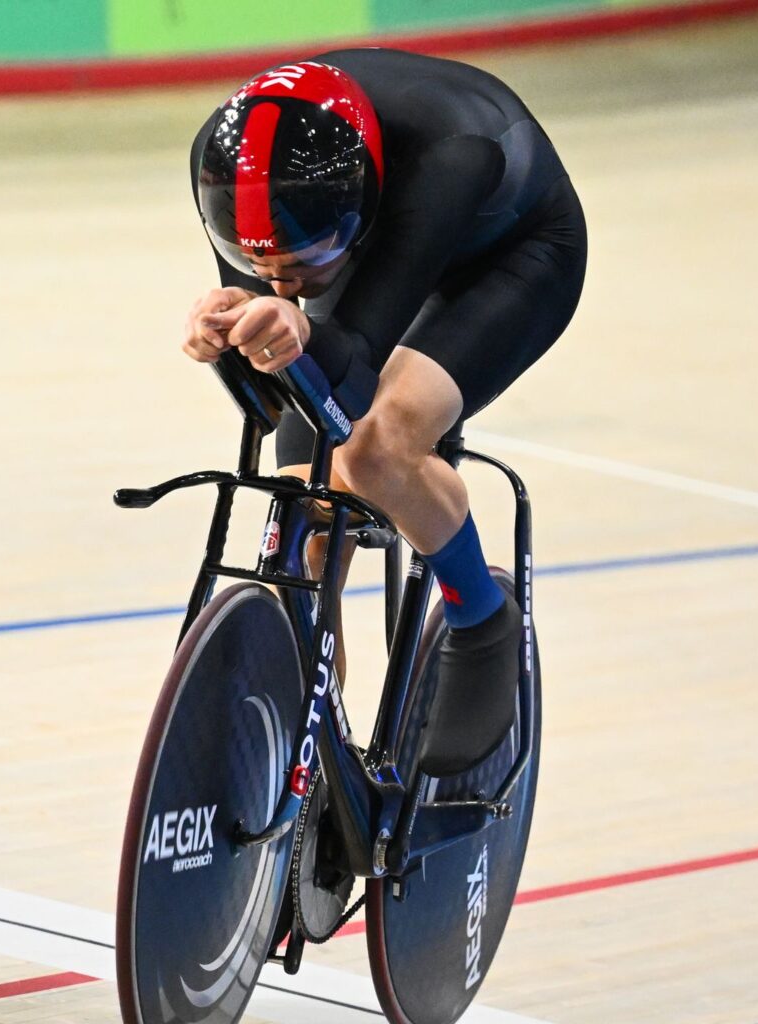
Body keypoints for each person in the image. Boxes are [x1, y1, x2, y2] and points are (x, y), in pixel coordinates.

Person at [181, 49, 586, 775]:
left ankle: (480, 616)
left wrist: (296, 325)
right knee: (302, 492)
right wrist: (230, 329)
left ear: (358, 203)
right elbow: (276, 400)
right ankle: (309, 731)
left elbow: (353, 371)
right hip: (363, 255)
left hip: (511, 256)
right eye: (264, 263)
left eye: (300, 264)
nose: (282, 281)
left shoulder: (450, 158)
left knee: (377, 448)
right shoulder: (230, 163)